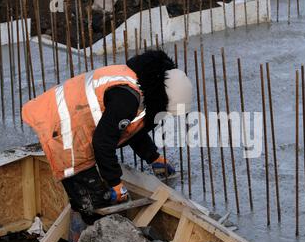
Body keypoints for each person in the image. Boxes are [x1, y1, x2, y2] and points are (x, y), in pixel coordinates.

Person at [22, 50, 192, 223]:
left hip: (65, 120)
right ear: (163, 99)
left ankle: (81, 228)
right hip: (61, 129)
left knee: (91, 200)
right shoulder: (127, 99)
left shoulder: (138, 85)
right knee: (96, 205)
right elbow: (103, 142)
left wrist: (153, 157)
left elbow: (129, 130)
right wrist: (114, 183)